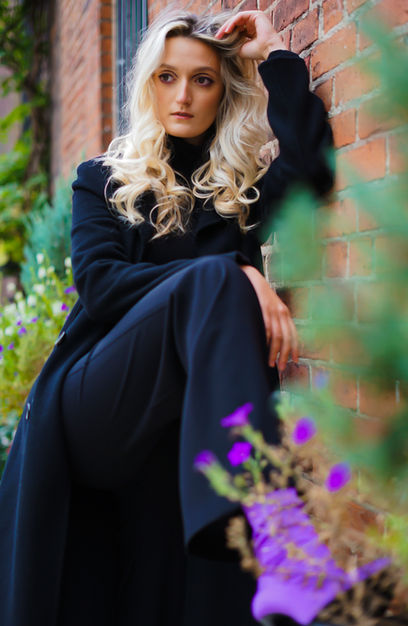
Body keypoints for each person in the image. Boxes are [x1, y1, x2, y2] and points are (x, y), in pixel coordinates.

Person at [0, 7, 334, 626]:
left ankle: (256, 536)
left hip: (185, 415)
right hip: (98, 402)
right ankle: (278, 528)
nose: (183, 96)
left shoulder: (235, 191)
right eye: (167, 77)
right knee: (216, 276)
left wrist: (273, 56)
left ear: (221, 91)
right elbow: (100, 286)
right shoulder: (101, 180)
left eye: (202, 80)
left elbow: (310, 171)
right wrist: (233, 273)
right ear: (148, 85)